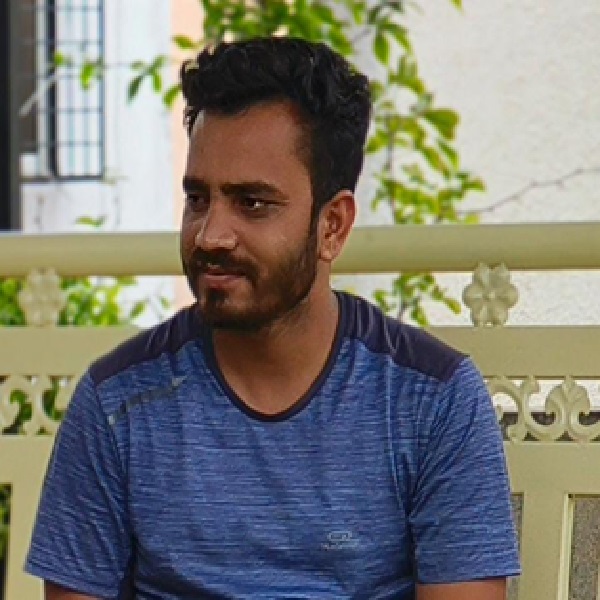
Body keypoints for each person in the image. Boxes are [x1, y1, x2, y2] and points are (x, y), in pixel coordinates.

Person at [26, 37, 520, 599]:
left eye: (252, 203)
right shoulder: (119, 403)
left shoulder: (431, 401)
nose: (211, 235)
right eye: (198, 198)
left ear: (332, 226)